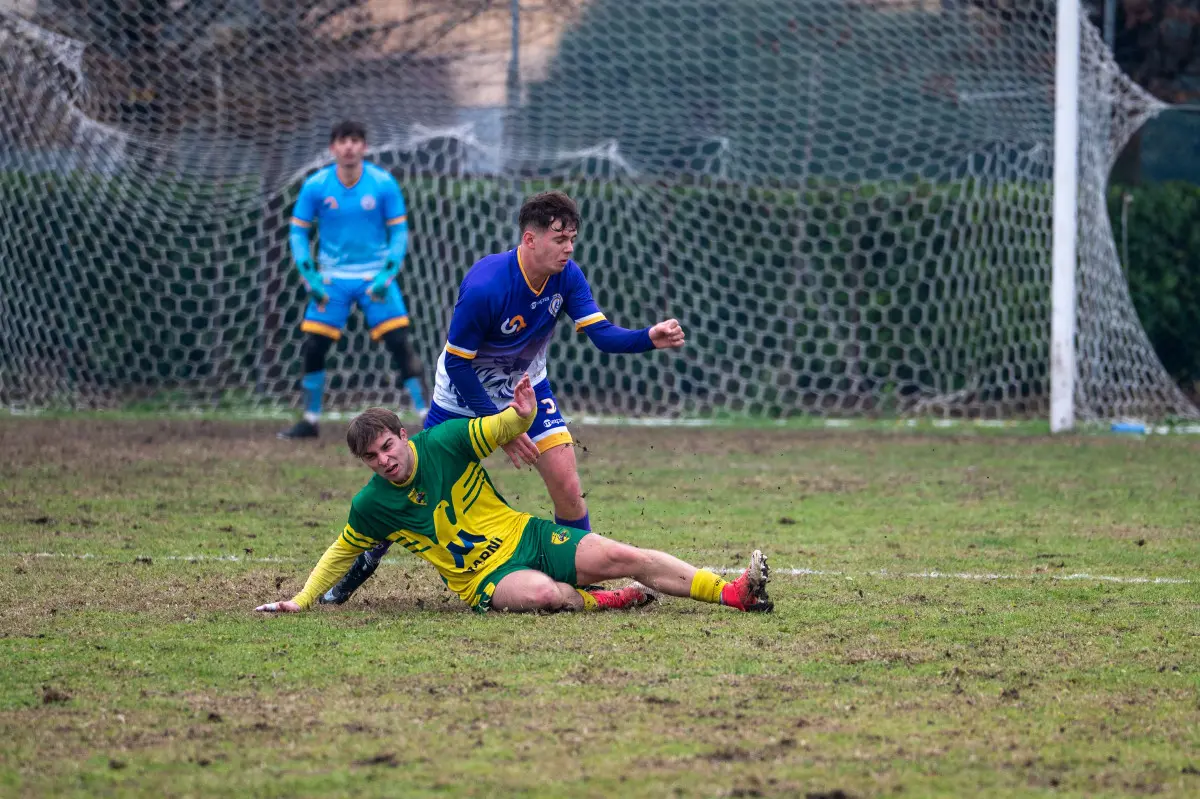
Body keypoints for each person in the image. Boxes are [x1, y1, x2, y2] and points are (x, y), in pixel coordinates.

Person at [318, 190, 685, 603]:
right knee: (413, 485)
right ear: (530, 239)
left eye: (572, 239)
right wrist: (501, 428)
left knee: (566, 479)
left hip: (526, 388)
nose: (568, 248)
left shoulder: (567, 276)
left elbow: (602, 335)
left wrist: (647, 339)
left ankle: (578, 575)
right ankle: (354, 572)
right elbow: (458, 365)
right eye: (559, 238)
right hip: (462, 396)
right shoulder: (486, 285)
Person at [255, 374, 773, 615]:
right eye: (371, 458)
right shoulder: (371, 504)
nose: (384, 461)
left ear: (403, 436)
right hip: (486, 577)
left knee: (623, 554)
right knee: (545, 596)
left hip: (527, 536)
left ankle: (732, 594)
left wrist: (522, 415)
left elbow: (501, 427)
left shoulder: (445, 442)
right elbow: (340, 551)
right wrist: (301, 600)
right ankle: (604, 601)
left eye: (387, 447)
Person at [278, 120, 429, 440]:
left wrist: (387, 274)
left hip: (376, 279)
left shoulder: (383, 183)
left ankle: (427, 416)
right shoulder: (316, 186)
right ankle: (309, 420)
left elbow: (399, 231)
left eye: (356, 140)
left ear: (364, 146)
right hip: (331, 281)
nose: (349, 147)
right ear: (333, 148)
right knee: (314, 347)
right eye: (343, 141)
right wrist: (311, 277)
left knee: (400, 342)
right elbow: (298, 232)